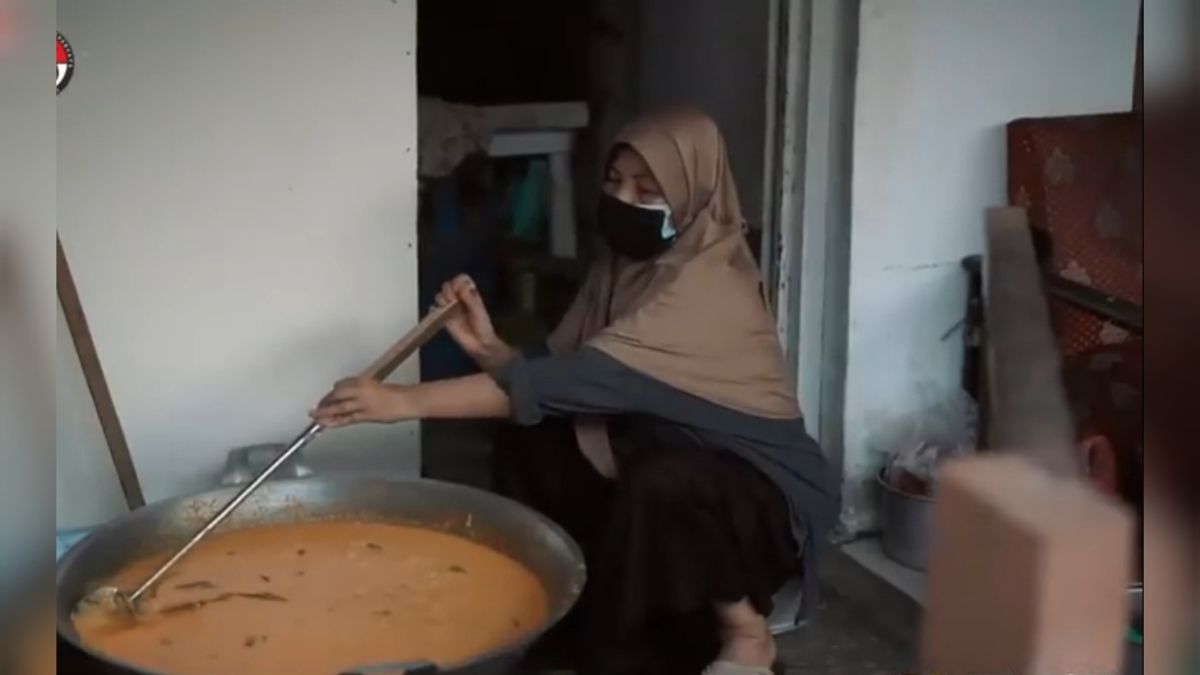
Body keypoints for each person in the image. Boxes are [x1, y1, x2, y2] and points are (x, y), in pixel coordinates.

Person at [312, 108, 835, 675]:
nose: (622, 200)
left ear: (694, 195)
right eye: (614, 182)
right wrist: (489, 347)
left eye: (647, 190)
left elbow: (576, 383)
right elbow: (564, 379)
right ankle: (562, 602)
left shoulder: (707, 287)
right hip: (655, 452)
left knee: (664, 483)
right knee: (533, 437)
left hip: (755, 496)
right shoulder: (625, 268)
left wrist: (402, 403)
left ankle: (746, 637)